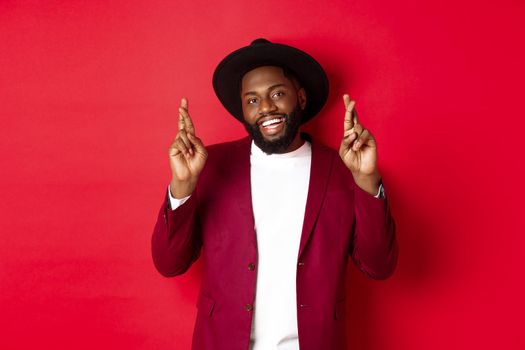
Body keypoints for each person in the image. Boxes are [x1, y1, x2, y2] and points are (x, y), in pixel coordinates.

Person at [151, 38, 398, 350]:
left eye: (278, 94)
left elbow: (380, 265)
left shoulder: (342, 170)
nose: (266, 107)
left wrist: (366, 179)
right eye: (252, 100)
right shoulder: (209, 166)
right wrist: (183, 185)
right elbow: (169, 263)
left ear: (301, 97)